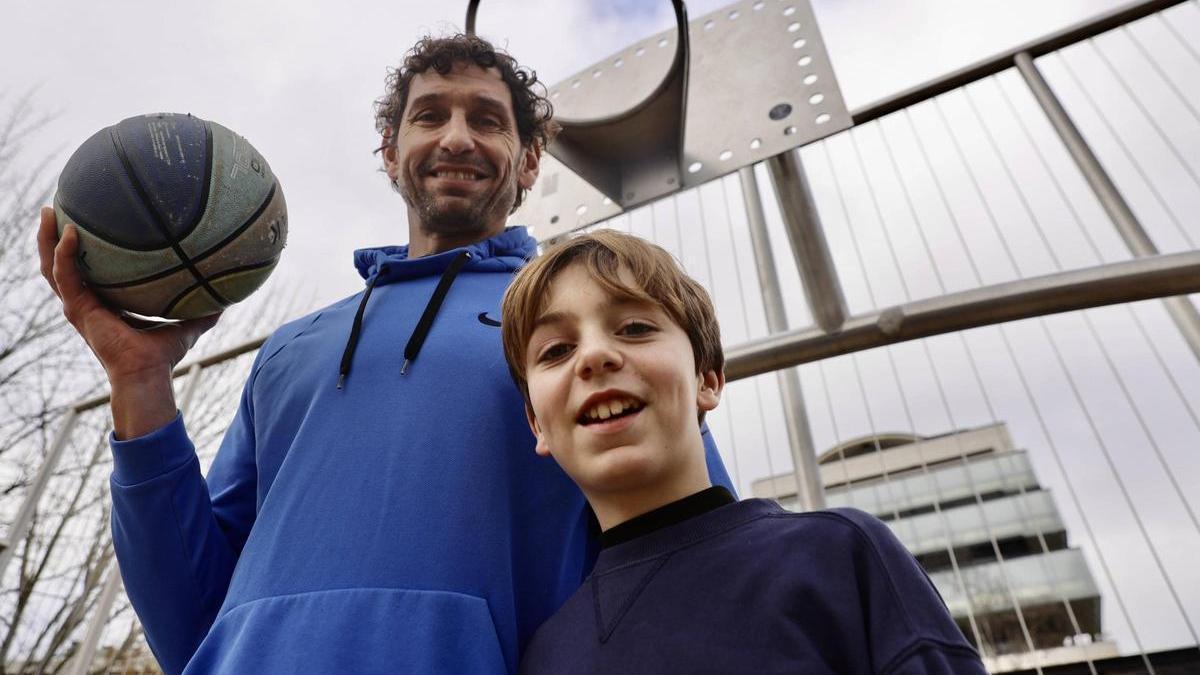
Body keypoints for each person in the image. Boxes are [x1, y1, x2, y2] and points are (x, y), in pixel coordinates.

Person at [37, 35, 733, 674]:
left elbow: (690, 555)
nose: (457, 137)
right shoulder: (290, 349)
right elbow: (188, 616)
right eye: (429, 116)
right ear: (389, 150)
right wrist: (139, 377)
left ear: (528, 161)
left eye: (488, 121)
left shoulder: (579, 331)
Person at [500, 230, 988, 674]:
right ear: (537, 423)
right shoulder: (546, 656)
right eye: (556, 350)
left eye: (634, 328)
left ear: (707, 379)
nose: (593, 356)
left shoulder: (841, 556)